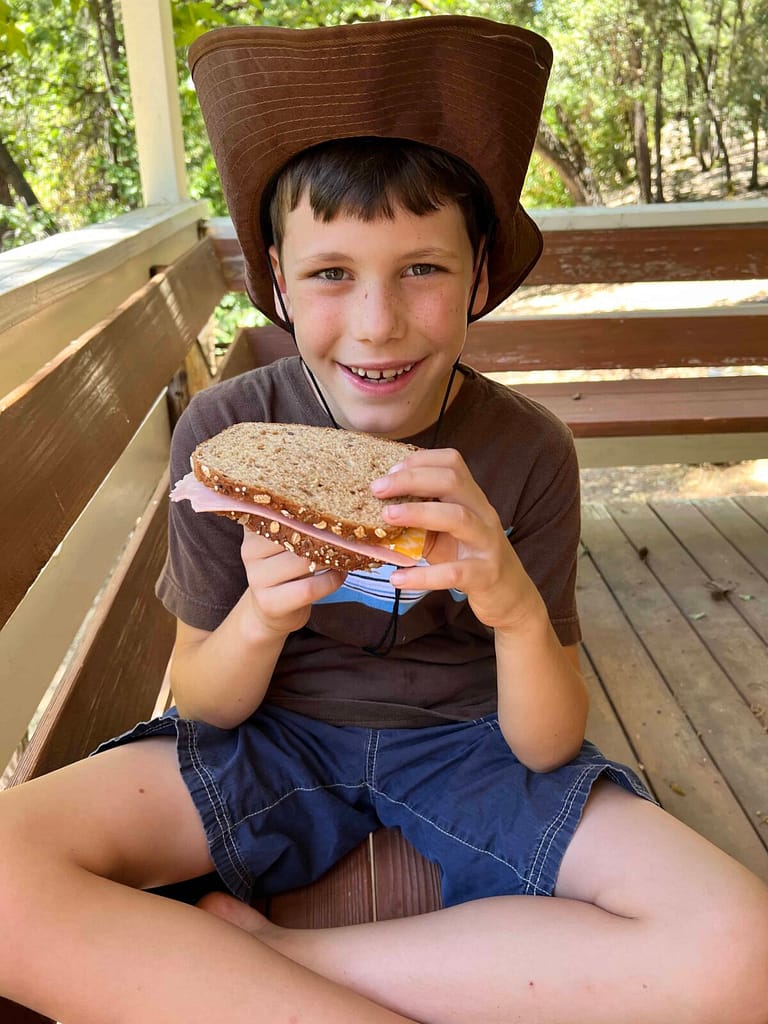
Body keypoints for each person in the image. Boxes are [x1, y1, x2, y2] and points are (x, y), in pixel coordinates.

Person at [1, 15, 767, 1024]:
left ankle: (279, 959)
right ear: (276, 280)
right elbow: (207, 701)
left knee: (743, 953)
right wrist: (262, 620)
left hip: (470, 741)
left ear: (480, 276)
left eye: (423, 268)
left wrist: (515, 608)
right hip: (271, 740)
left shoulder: (527, 448)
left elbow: (544, 745)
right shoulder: (230, 432)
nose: (376, 323)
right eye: (329, 274)